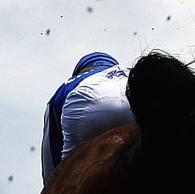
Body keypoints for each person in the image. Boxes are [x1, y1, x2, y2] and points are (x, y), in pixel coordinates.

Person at [39, 51, 133, 181]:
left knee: (68, 178)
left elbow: (50, 152)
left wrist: (51, 188)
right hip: (136, 97)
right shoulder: (129, 72)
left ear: (82, 71)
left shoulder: (69, 84)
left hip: (89, 108)